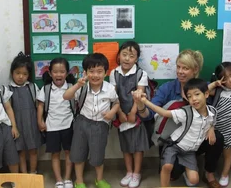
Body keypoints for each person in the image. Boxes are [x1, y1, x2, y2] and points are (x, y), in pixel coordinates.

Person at [134, 49, 224, 188]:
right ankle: (183, 168)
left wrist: (211, 127)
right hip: (173, 141)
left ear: (195, 70)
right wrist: (141, 105)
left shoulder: (203, 88)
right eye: (178, 67)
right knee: (171, 175)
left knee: (217, 138)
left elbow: (210, 112)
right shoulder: (167, 88)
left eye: (185, 68)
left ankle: (208, 174)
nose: (180, 71)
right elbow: (149, 115)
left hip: (196, 138)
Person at [63, 53, 120, 188]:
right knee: (78, 154)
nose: (95, 75)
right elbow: (66, 96)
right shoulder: (82, 87)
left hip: (101, 125)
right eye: (91, 71)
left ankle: (99, 179)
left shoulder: (110, 89)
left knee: (98, 154)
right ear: (86, 72)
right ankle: (79, 181)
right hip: (82, 123)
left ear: (106, 73)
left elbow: (117, 102)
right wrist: (77, 85)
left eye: (99, 71)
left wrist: (112, 112)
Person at [109, 41, 149, 188]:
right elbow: (113, 95)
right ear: (119, 56)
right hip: (121, 113)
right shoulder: (114, 73)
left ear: (136, 59)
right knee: (125, 145)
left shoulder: (141, 74)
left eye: (131, 56)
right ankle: (129, 172)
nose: (127, 59)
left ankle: (137, 173)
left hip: (135, 113)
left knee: (138, 146)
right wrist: (119, 113)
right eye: (124, 54)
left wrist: (133, 112)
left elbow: (140, 93)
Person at [37, 57, 75, 188]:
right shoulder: (46, 89)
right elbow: (40, 106)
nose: (59, 74)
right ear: (50, 73)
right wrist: (40, 121)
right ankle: (59, 180)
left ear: (67, 73)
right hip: (52, 126)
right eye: (55, 72)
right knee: (55, 154)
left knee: (69, 152)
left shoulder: (72, 88)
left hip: (69, 125)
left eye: (62, 71)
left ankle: (68, 178)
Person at [9, 52, 42, 174]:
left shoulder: (32, 87)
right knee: (21, 151)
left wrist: (40, 121)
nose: (20, 77)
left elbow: (39, 106)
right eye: (17, 73)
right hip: (16, 126)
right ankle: (23, 174)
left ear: (29, 75)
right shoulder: (8, 90)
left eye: (24, 74)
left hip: (31, 124)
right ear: (12, 72)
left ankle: (32, 172)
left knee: (33, 150)